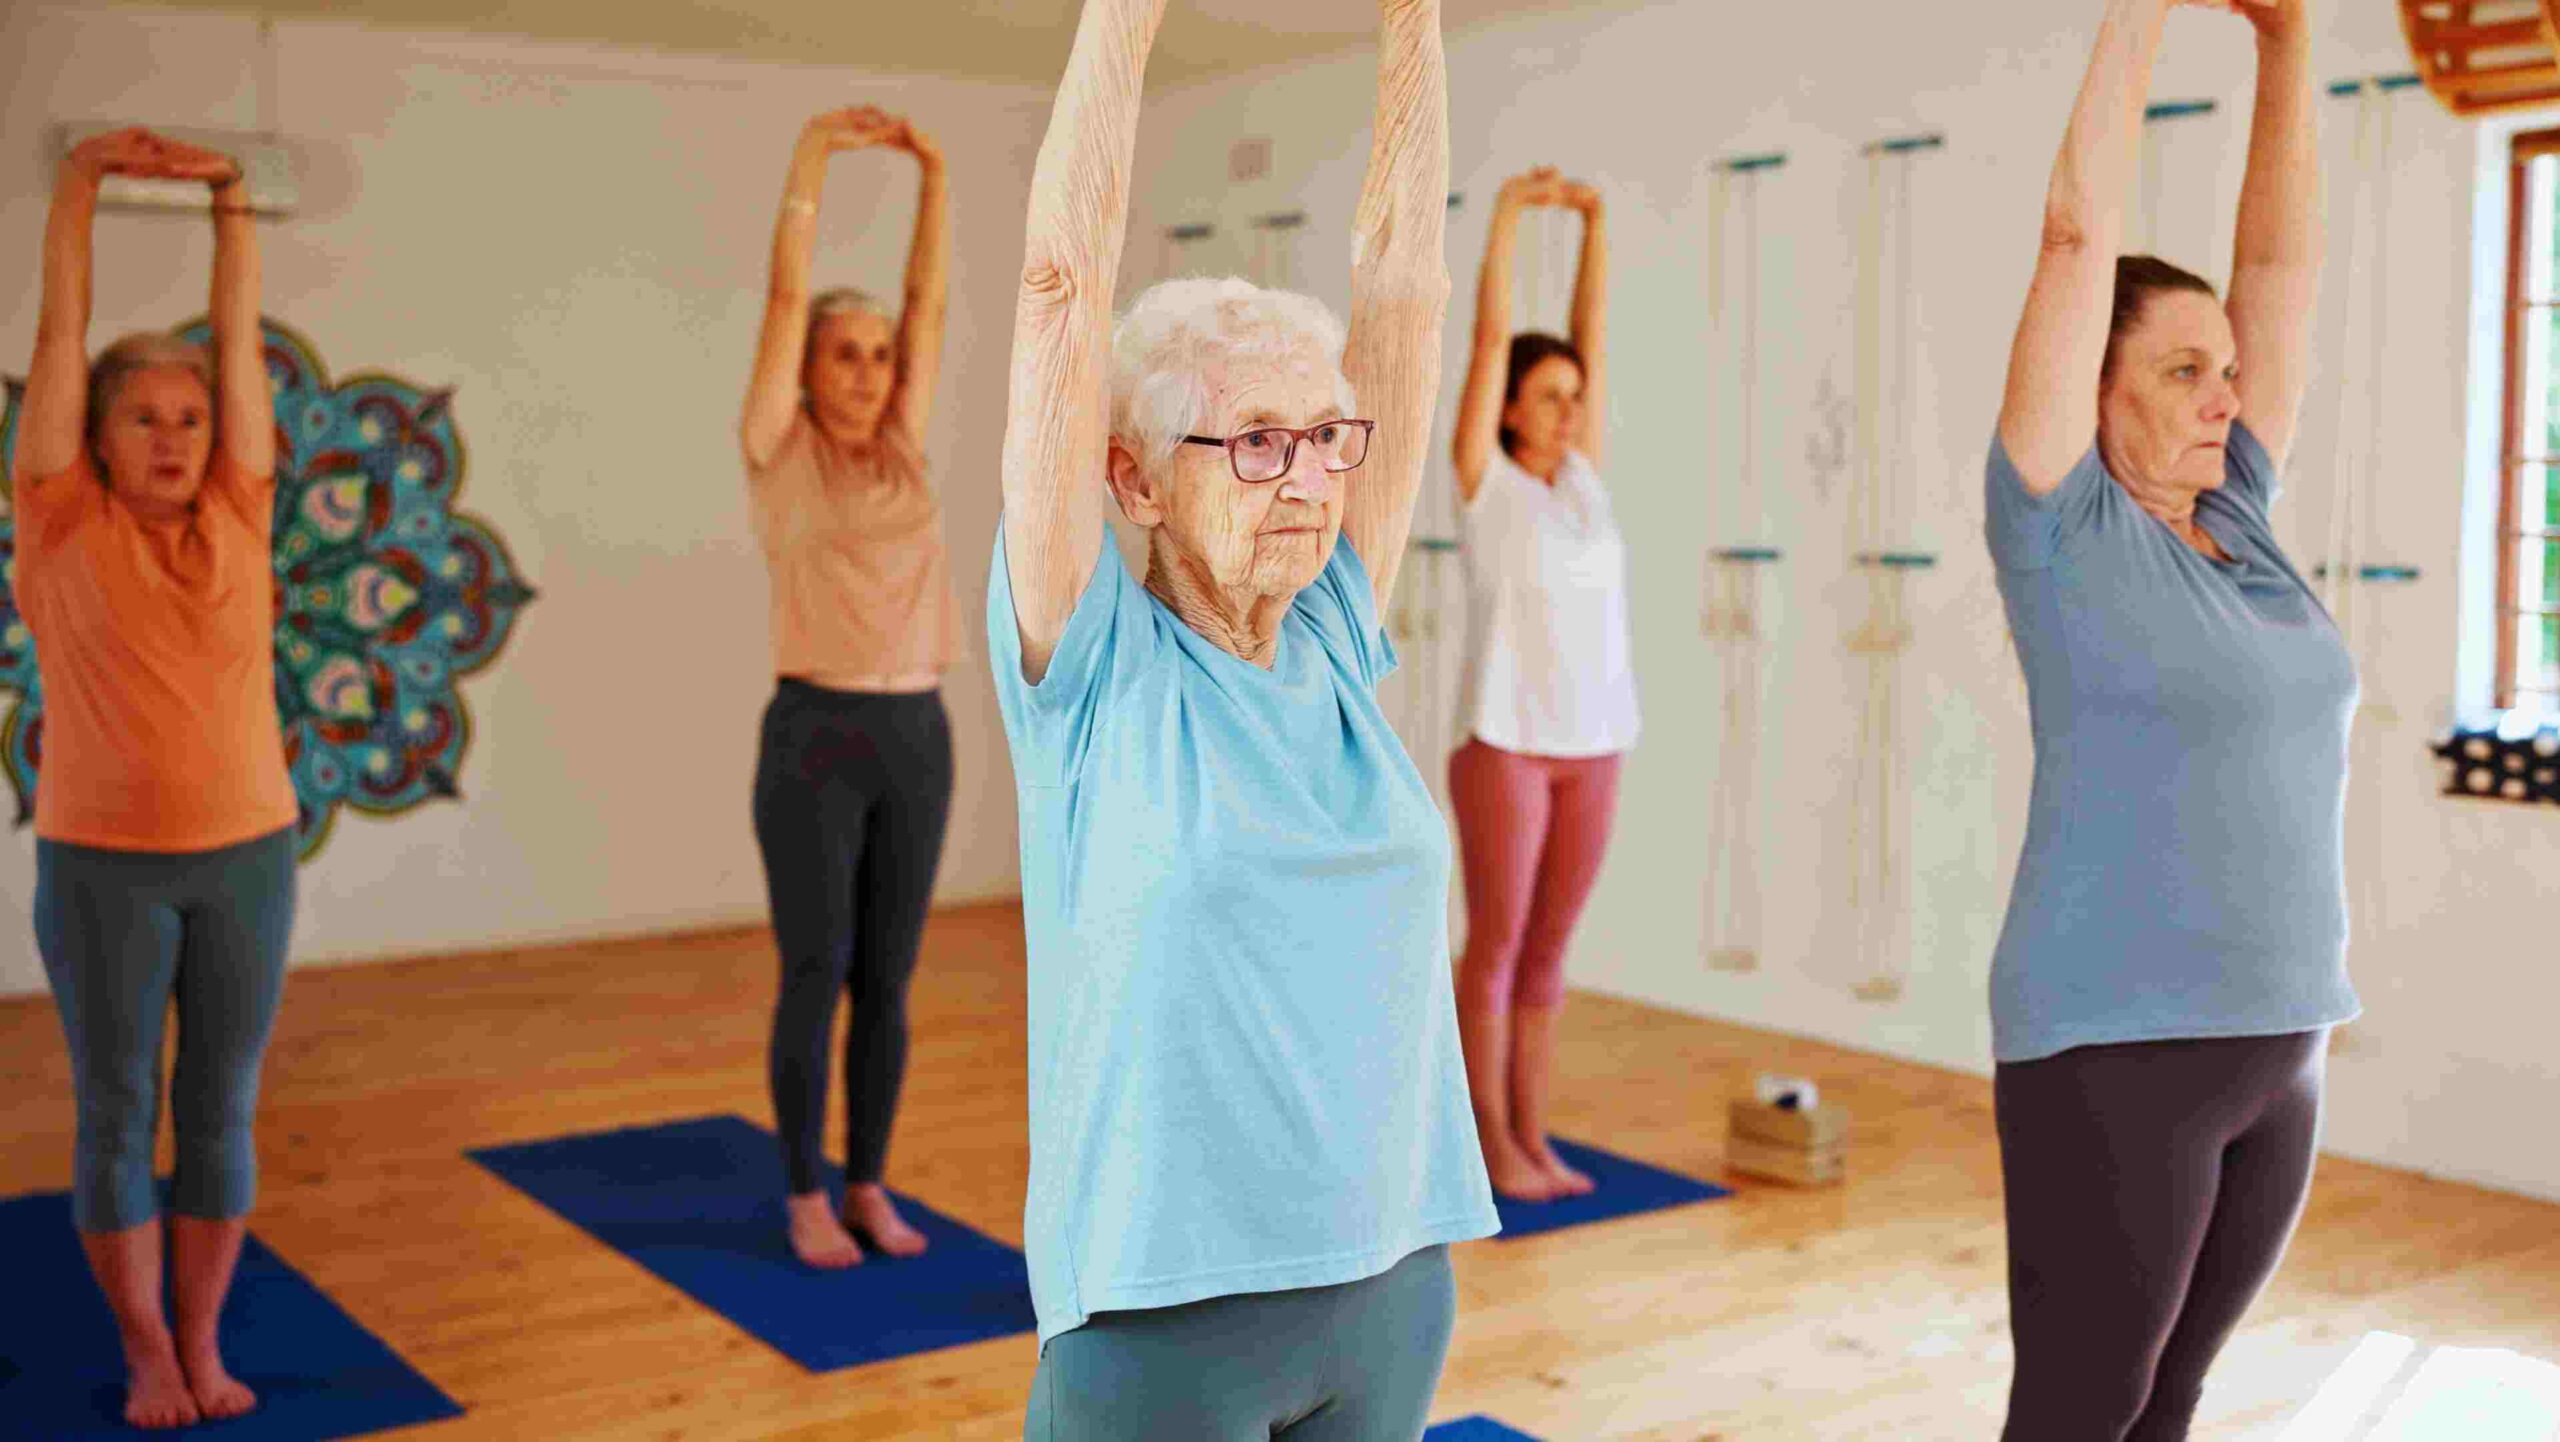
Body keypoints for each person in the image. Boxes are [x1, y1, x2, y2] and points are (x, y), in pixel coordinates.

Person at [989, 0, 1497, 1434]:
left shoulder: (1331, 628)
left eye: (1327, 440)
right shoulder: (1093, 671)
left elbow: (1405, 288)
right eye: (1256, 443)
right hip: (1160, 1323)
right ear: (1136, 481)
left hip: (1394, 1291)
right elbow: (1057, 280)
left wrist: (1413, 19)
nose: (1308, 481)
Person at [1986, 1, 2352, 1436]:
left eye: (2229, 371)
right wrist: (2139, 15)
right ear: (2095, 388)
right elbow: (2077, 235)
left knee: (2170, 1404)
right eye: (2182, 371)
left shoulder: (2243, 517)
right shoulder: (2062, 526)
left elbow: (2282, 263)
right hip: (2113, 1053)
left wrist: (2288, 42)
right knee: (2083, 1407)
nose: (2224, 396)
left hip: (2285, 1046)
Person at [15, 126, 299, 1430]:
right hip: (101, 867)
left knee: (222, 1107)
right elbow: (61, 333)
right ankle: (142, 1351)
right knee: (120, 1109)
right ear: (97, 434)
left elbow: (240, 336)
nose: (175, 435)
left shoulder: (243, 503)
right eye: (144, 414)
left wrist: (234, 204)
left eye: (191, 415)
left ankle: (201, 1337)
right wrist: (82, 192)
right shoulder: (61, 515)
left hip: (248, 855)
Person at [737, 104, 959, 1269]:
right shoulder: (779, 449)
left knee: (890, 978)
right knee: (814, 969)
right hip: (815, 732)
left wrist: (933, 175)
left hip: (917, 728)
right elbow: (786, 298)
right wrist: (814, 151)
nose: (868, 370)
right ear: (810, 369)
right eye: (845, 352)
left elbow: (928, 309)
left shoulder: (906, 444)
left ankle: (868, 1179)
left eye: (878, 355)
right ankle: (802, 1191)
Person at [1446, 164, 1636, 1203]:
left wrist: (1597, 222)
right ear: (1510, 408)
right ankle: (1484, 1141)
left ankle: (1531, 1130)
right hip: (1505, 742)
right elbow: (1485, 344)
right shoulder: (1488, 486)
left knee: (1551, 955)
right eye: (1548, 395)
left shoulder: (1584, 482)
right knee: (1499, 945)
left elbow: (1591, 340)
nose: (1568, 409)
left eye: (1574, 397)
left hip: (1594, 741)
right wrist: (1511, 219)